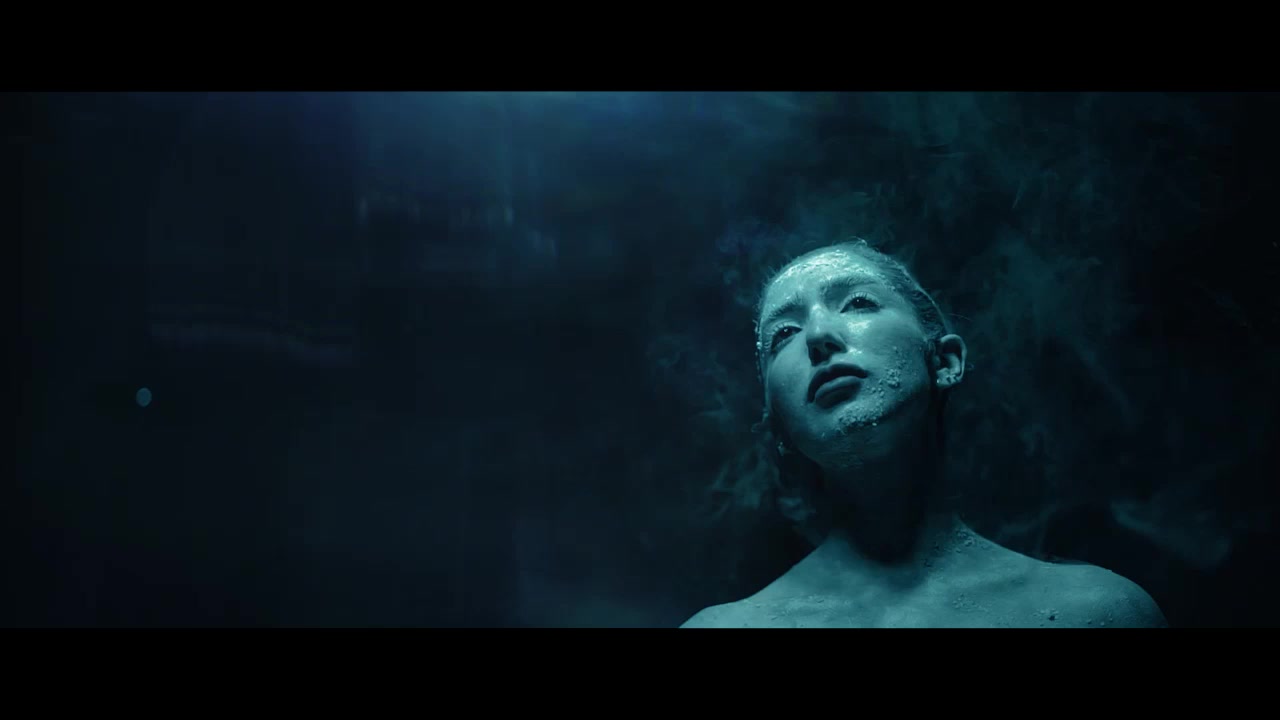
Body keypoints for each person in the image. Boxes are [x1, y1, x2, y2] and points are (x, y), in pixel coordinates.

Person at [681, 239, 1166, 628]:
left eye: (858, 302)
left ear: (945, 361)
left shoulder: (1099, 612)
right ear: (778, 424)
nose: (818, 336)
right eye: (783, 335)